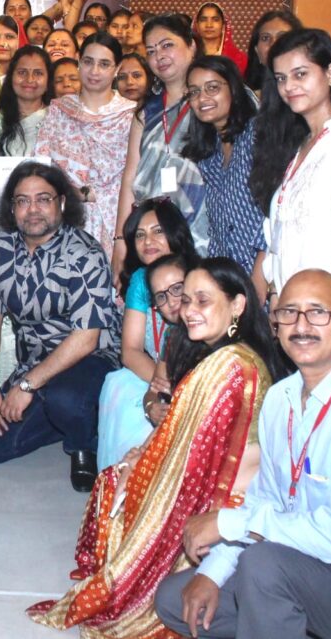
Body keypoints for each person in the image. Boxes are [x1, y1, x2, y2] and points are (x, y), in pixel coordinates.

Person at [155, 269, 331, 639]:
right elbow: (266, 500)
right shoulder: (280, 398)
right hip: (305, 562)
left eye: (318, 312)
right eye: (289, 313)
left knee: (264, 567)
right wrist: (212, 573)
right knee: (175, 599)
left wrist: (227, 523)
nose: (301, 326)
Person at [32, 257, 279, 637]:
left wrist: (148, 468)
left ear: (237, 304)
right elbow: (182, 427)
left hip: (227, 500)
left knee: (125, 487)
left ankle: (140, 582)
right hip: (202, 478)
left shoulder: (233, 365)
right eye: (185, 301)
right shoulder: (216, 352)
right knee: (115, 478)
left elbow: (198, 456)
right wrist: (143, 454)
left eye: (202, 300)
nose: (188, 310)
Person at [0, 162, 121, 491]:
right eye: (22, 201)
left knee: (65, 397)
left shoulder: (85, 253)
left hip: (90, 359)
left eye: (43, 199)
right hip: (35, 362)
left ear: (62, 203)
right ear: (12, 208)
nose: (33, 209)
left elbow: (86, 338)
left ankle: (83, 442)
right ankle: (66, 414)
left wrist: (26, 387)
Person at [249, 28, 331, 299]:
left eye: (300, 74)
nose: (289, 86)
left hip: (327, 302)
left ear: (330, 73)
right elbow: (279, 234)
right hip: (289, 302)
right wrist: (274, 292)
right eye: (281, 78)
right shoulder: (300, 144)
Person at [97, 201, 197, 470]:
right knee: (118, 386)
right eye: (140, 235)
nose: (148, 241)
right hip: (155, 372)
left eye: (158, 231)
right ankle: (122, 481)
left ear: (176, 233)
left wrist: (178, 389)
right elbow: (130, 351)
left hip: (197, 378)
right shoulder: (141, 280)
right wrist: (161, 385)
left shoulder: (200, 276)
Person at [114, 14, 209, 283]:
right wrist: (120, 241)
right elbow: (130, 176)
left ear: (191, 45)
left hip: (202, 227)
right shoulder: (147, 110)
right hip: (151, 236)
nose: (159, 56)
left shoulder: (210, 100)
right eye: (152, 51)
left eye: (167, 45)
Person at [36, 31, 135, 257]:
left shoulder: (131, 115)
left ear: (117, 69)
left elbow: (136, 178)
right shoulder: (59, 110)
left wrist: (88, 194)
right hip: (62, 219)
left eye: (104, 64)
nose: (94, 71)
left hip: (117, 222)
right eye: (88, 62)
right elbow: (41, 164)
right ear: (78, 62)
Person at [183, 56, 267, 281]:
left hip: (265, 272)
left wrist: (260, 274)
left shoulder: (258, 135)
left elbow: (273, 212)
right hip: (230, 276)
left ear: (234, 89)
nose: (202, 98)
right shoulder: (209, 154)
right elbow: (219, 228)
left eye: (212, 88)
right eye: (194, 92)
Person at [0, 46, 52, 157]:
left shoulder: (57, 121)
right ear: (11, 78)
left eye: (38, 73)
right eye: (22, 72)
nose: (30, 79)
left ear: (48, 81)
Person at [244, 10, 301, 94]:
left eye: (282, 37)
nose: (273, 44)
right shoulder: (245, 95)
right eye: (265, 38)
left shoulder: (310, 91)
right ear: (256, 51)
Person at [194, 2, 247, 75]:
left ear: (223, 25)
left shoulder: (239, 59)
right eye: (203, 19)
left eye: (215, 20)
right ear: (196, 25)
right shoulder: (188, 56)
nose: (209, 25)